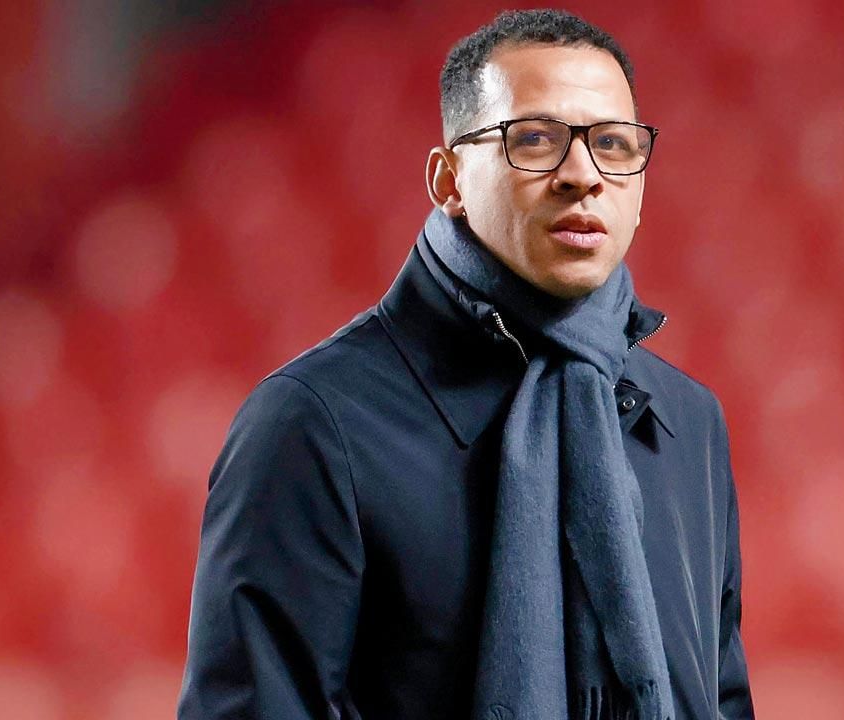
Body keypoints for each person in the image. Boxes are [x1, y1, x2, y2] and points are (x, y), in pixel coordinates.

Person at [178, 9, 754, 720]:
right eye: (535, 139)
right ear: (448, 180)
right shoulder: (312, 423)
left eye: (612, 143)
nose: (583, 176)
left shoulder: (687, 421)